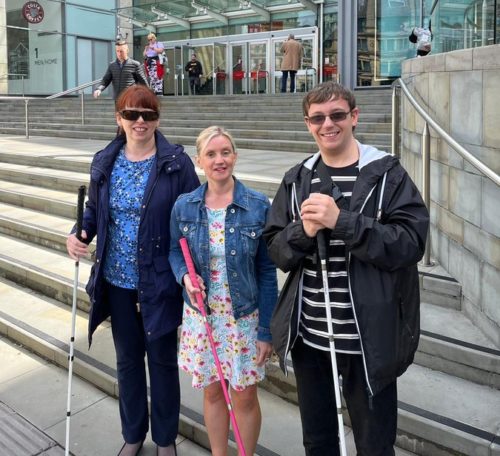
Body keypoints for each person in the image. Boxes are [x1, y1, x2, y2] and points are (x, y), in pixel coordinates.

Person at [263, 81, 429, 456]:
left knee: (374, 445)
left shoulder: (387, 174)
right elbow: (276, 249)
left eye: (337, 114)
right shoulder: (296, 179)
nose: (328, 124)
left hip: (368, 339)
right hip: (311, 337)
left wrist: (343, 222)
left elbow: (410, 243)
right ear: (308, 124)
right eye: (318, 118)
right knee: (319, 442)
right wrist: (301, 232)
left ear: (354, 117)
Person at [66, 85, 200, 456]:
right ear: (118, 118)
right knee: (127, 361)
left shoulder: (176, 162)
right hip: (116, 281)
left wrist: (193, 269)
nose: (140, 121)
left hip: (158, 282)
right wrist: (78, 235)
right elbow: (92, 212)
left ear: (157, 119)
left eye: (148, 114)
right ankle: (133, 434)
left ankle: (165, 438)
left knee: (161, 361)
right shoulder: (105, 162)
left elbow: (192, 216)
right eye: (131, 114)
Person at [169, 126, 278, 456]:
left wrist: (265, 331)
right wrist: (185, 277)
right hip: (203, 316)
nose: (220, 160)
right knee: (214, 392)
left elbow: (267, 271)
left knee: (244, 395)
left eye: (225, 152)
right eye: (212, 154)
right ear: (198, 160)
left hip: (243, 317)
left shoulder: (258, 206)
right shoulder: (184, 206)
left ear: (235, 155)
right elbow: (175, 251)